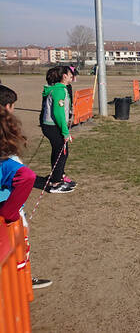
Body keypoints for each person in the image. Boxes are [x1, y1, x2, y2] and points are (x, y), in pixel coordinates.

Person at [0, 86, 52, 289]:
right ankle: (20, 282)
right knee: (16, 247)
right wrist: (9, 213)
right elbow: (26, 176)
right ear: (7, 108)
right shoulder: (7, 158)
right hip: (7, 213)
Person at [39, 67, 75, 194]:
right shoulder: (59, 90)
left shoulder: (60, 89)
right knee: (61, 152)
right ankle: (56, 183)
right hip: (53, 126)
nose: (72, 76)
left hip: (51, 126)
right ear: (64, 76)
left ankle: (58, 176)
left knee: (59, 151)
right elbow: (58, 113)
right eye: (70, 74)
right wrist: (65, 133)